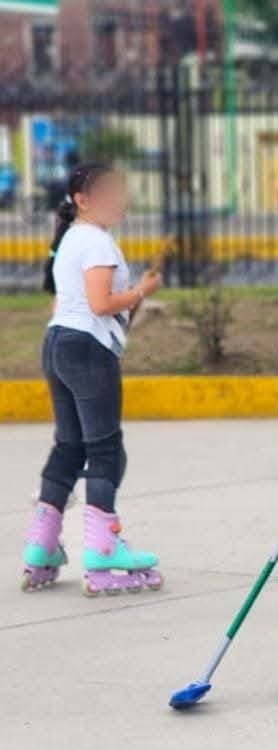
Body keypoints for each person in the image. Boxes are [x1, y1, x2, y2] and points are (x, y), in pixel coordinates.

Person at [21, 163, 165, 596]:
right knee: (105, 450)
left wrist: (133, 298)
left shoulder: (70, 238)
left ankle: (41, 546)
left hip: (59, 343)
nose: (119, 199)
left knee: (69, 445)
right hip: (84, 349)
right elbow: (101, 304)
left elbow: (80, 306)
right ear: (82, 200)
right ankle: (103, 549)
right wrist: (141, 291)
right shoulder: (97, 241)